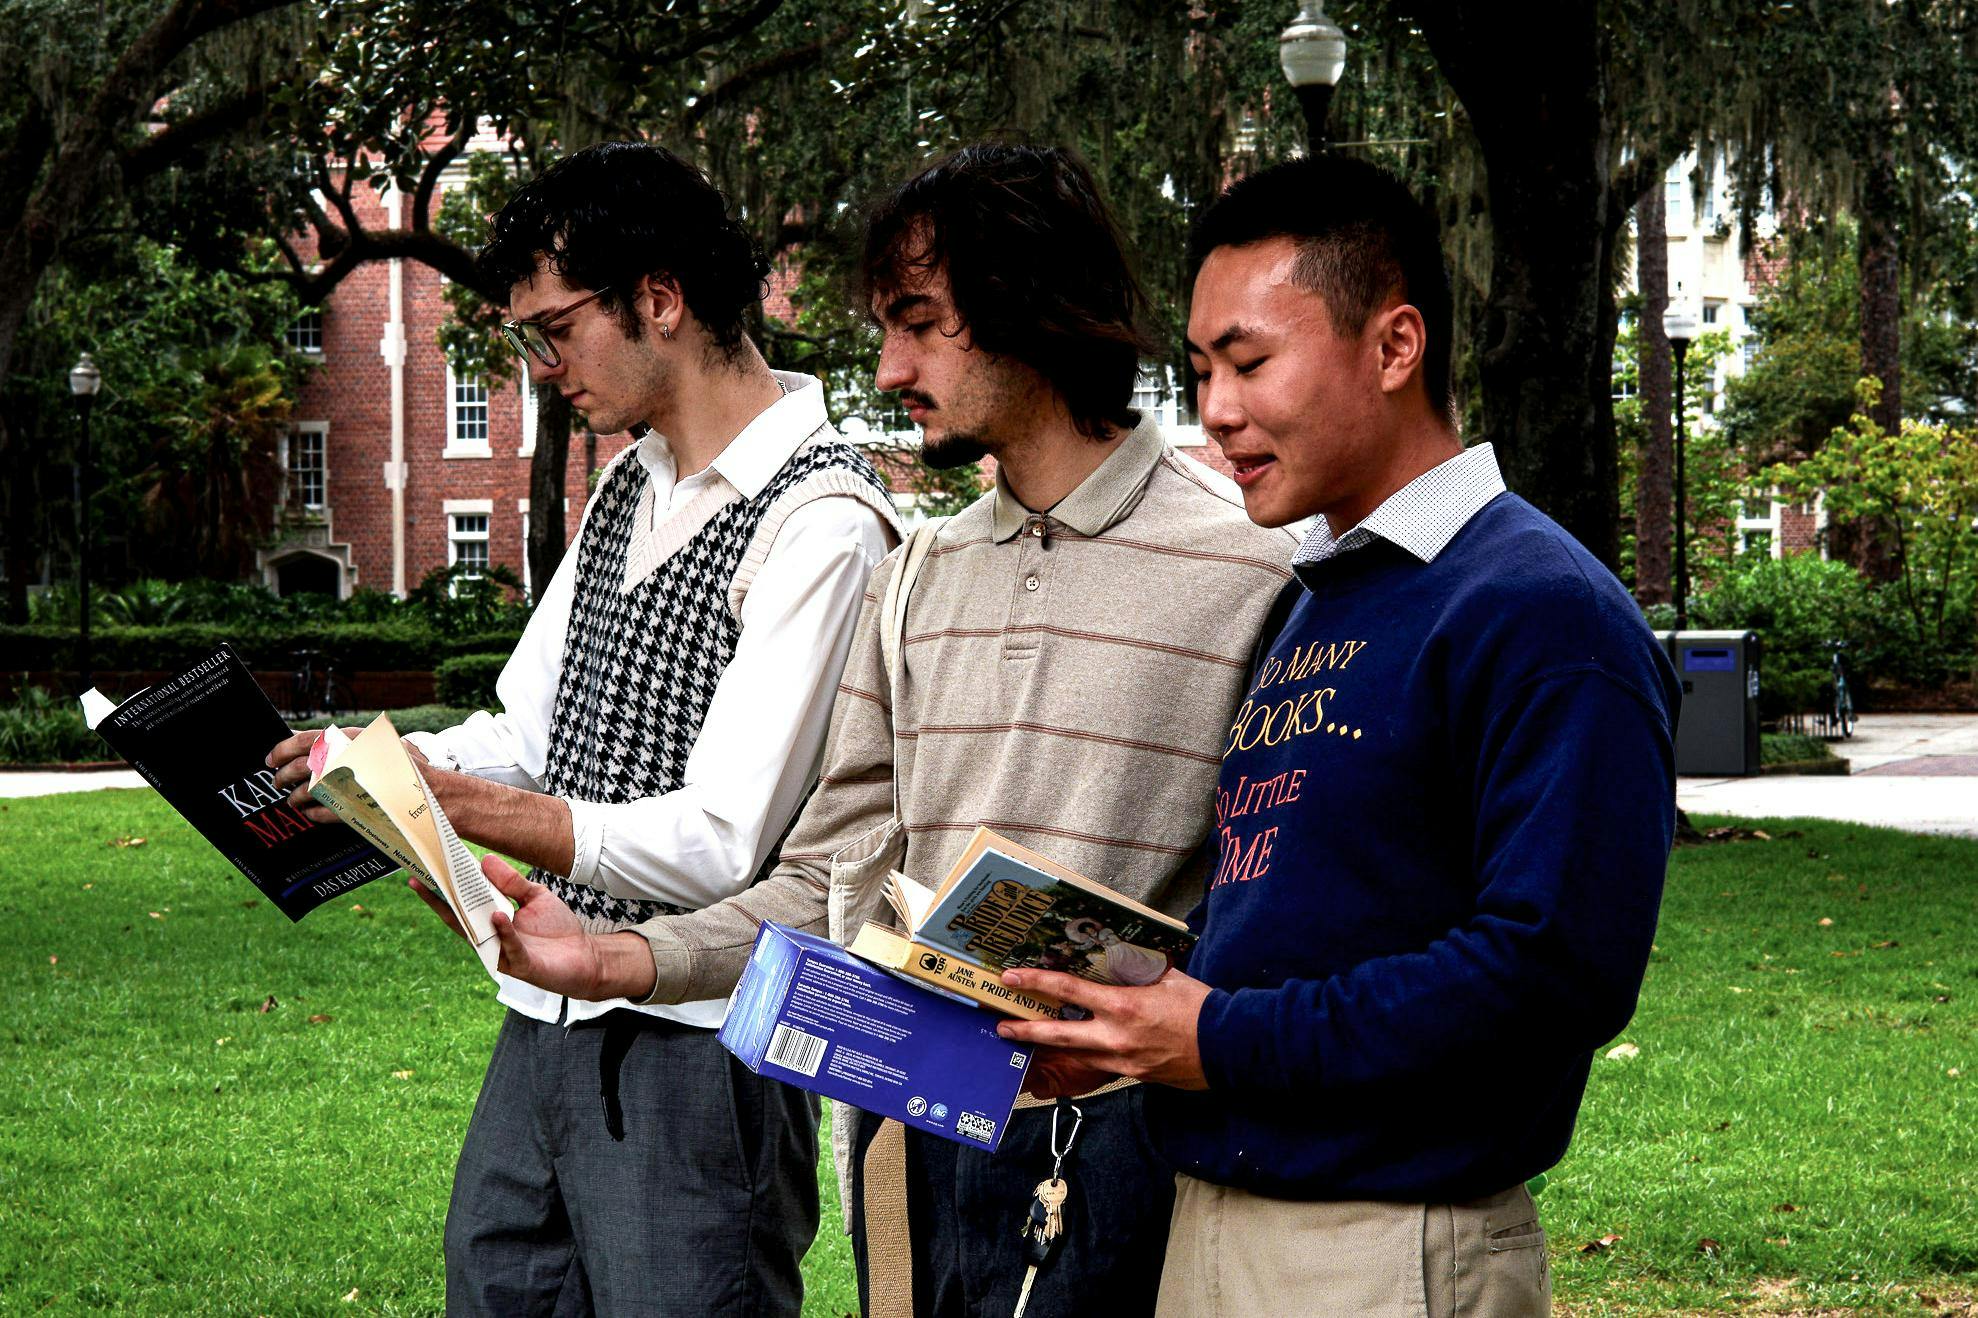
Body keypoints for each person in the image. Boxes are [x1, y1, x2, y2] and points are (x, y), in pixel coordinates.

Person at [438, 143, 1300, 1316]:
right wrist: (619, 957)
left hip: (1140, 1159)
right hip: (918, 1127)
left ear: (1032, 302)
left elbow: (1295, 910)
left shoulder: (1255, 569)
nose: (888, 366)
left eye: (918, 322)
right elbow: (832, 884)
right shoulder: (920, 577)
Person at [996, 154, 1681, 1317]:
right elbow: (1295, 919)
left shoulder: (1537, 608)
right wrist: (1126, 1027)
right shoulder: (1316, 596)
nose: (1215, 409)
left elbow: (1547, 973)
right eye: (1202, 367)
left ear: (1394, 346)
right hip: (1212, 1220)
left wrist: (1220, 1039)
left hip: (1384, 1249)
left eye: (1251, 361)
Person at [267, 141, 900, 1315]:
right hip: (545, 1011)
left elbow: (724, 837)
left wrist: (472, 807)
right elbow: (526, 726)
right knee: (494, 1281)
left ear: (658, 298)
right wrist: (377, 762)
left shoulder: (825, 520)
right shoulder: (628, 484)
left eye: (553, 329)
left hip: (701, 1040)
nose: (540, 366)